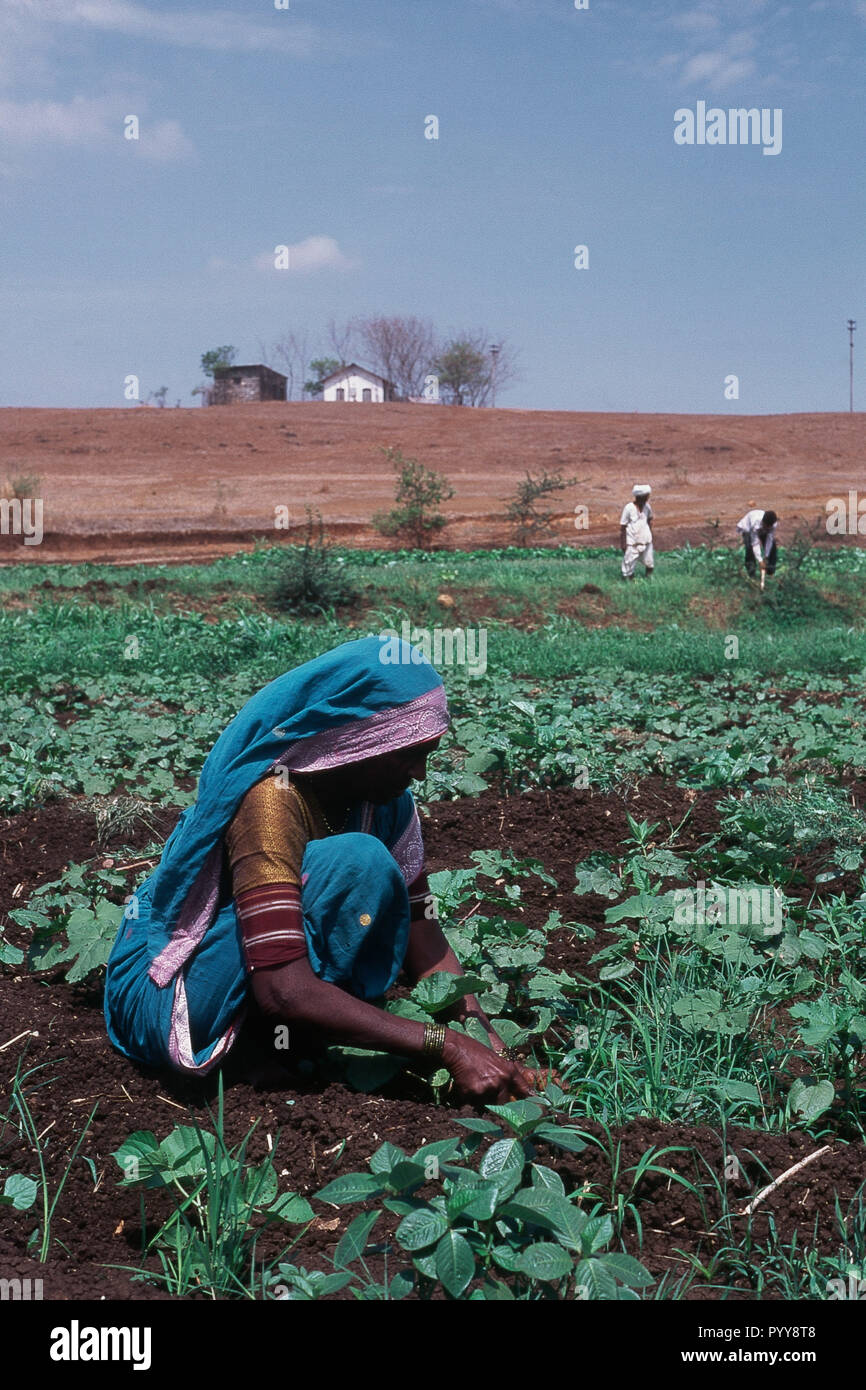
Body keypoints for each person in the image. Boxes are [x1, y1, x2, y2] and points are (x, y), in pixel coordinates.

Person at [104, 635, 537, 1103]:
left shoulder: (386, 800)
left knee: (357, 861)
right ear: (353, 741)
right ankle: (255, 1045)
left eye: (425, 754)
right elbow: (283, 989)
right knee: (355, 861)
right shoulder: (271, 801)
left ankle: (289, 1039)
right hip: (178, 986)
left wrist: (490, 1043)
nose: (419, 774)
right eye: (408, 755)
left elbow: (423, 932)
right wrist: (445, 1045)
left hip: (273, 979)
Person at [736, 508, 779, 590]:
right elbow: (755, 543)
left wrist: (766, 556)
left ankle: (770, 572)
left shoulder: (773, 525)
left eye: (768, 528)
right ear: (763, 523)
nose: (767, 529)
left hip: (760, 529)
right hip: (747, 529)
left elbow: (769, 540)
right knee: (750, 550)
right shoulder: (755, 523)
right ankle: (751, 575)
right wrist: (760, 560)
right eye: (765, 526)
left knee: (773, 547)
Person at [620, 484, 654, 579]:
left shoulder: (647, 507)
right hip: (632, 542)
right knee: (628, 566)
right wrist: (623, 543)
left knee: (649, 563)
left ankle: (648, 580)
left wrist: (650, 534)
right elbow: (623, 527)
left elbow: (650, 520)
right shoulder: (629, 508)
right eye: (646, 496)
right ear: (641, 497)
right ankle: (630, 582)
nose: (648, 498)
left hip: (646, 541)